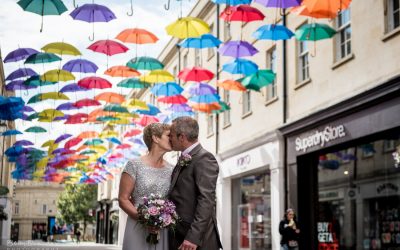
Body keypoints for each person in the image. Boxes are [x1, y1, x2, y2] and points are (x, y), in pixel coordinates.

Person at [168, 116, 223, 250]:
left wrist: (193, 237)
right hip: (179, 235)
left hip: (196, 241)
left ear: (182, 137)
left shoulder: (204, 158)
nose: (169, 139)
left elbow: (206, 200)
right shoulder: (184, 158)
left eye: (171, 135)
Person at [119, 123, 173, 250]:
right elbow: (123, 199)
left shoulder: (172, 169)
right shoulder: (134, 165)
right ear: (156, 138)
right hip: (137, 225)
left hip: (162, 229)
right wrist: (145, 220)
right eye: (168, 135)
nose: (172, 138)